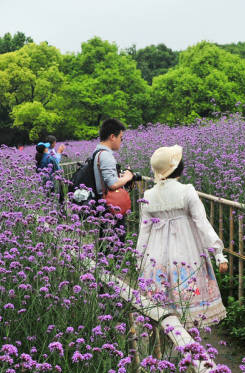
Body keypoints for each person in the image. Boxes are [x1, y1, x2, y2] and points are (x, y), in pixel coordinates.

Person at [136, 145, 228, 329]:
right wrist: (218, 254)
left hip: (156, 256)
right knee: (188, 309)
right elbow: (202, 223)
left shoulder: (148, 195)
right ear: (178, 168)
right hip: (187, 253)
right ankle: (189, 346)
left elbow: (144, 231)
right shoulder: (186, 191)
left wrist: (139, 260)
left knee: (159, 310)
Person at [92, 118, 135, 248]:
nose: (121, 141)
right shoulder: (106, 155)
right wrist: (127, 176)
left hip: (104, 205)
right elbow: (112, 184)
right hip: (110, 208)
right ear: (112, 137)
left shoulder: (98, 152)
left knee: (106, 244)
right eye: (121, 138)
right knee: (115, 245)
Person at [35, 142, 65, 213]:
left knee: (48, 201)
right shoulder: (50, 157)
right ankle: (60, 216)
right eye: (46, 147)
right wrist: (61, 181)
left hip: (44, 184)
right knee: (59, 201)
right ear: (45, 149)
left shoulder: (38, 159)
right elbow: (58, 169)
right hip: (54, 183)